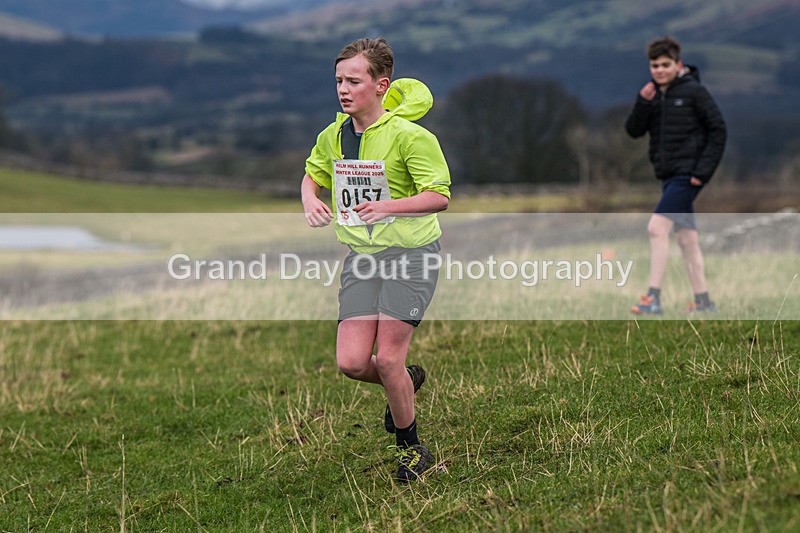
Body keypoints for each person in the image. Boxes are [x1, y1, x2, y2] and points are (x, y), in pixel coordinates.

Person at [300, 37, 451, 482]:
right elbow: (312, 176)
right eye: (338, 81)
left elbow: (439, 196)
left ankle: (411, 448)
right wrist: (310, 200)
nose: (343, 89)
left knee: (387, 359)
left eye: (354, 80)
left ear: (381, 85)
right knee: (350, 363)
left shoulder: (412, 137)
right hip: (362, 259)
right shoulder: (334, 135)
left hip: (412, 256)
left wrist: (387, 207)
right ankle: (405, 381)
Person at [625, 36, 727, 315]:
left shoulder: (694, 92)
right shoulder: (652, 96)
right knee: (686, 239)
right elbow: (633, 131)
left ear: (677, 64)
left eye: (665, 65)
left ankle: (653, 298)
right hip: (668, 176)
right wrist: (642, 103)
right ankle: (703, 301)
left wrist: (702, 172)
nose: (659, 70)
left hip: (688, 175)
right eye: (654, 65)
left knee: (657, 228)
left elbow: (718, 130)